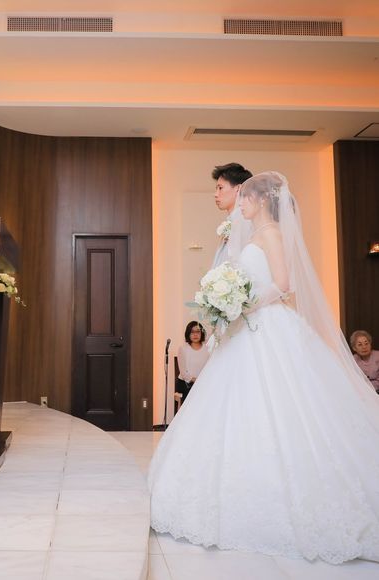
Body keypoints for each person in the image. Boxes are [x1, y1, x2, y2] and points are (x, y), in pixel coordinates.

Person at [148, 172, 379, 564]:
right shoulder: (253, 235)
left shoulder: (271, 233)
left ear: (259, 201)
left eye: (245, 199)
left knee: (283, 406)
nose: (240, 204)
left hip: (268, 326)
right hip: (247, 328)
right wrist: (231, 304)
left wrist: (244, 305)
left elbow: (284, 284)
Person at [211, 162, 253, 268]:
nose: (215, 194)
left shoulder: (245, 222)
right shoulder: (232, 221)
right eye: (216, 189)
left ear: (238, 189)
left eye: (220, 188)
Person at [175, 321, 210, 405]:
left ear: (202, 333)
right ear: (188, 334)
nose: (195, 334)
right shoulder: (183, 349)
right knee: (193, 398)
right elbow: (183, 373)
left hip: (203, 383)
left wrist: (203, 381)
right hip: (187, 383)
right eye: (192, 332)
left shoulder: (207, 348)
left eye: (198, 331)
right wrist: (197, 381)